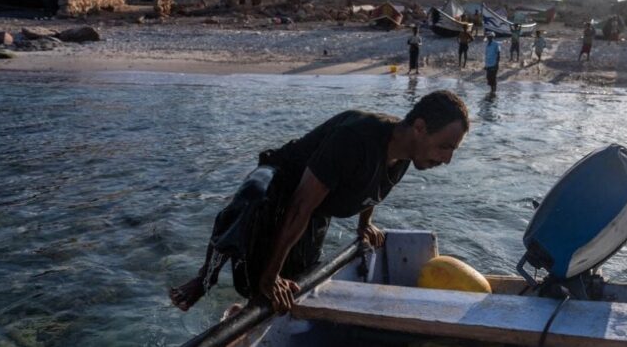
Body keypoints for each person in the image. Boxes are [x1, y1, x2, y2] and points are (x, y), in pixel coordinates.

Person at [169, 91, 470, 313]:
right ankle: (203, 281)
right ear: (419, 128)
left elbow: (374, 187)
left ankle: (243, 309)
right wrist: (271, 277)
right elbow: (300, 204)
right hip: (279, 193)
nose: (447, 159)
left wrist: (366, 225)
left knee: (296, 283)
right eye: (445, 146)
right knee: (261, 283)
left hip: (315, 210)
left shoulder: (405, 154)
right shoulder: (355, 139)